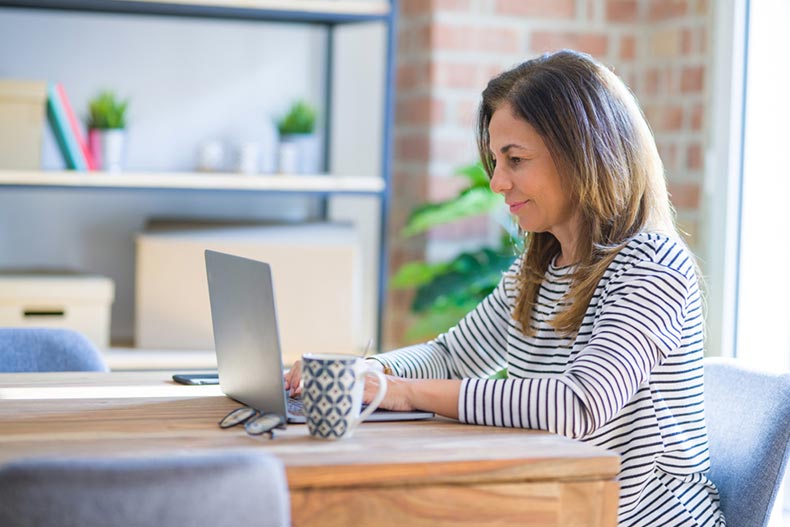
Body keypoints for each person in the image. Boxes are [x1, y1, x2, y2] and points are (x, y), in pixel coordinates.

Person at [285, 49, 725, 526]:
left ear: (583, 154)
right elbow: (451, 356)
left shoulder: (651, 267)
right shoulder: (537, 271)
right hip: (553, 508)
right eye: (496, 160)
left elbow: (577, 405)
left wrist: (406, 392)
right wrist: (362, 373)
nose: (497, 182)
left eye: (515, 159)